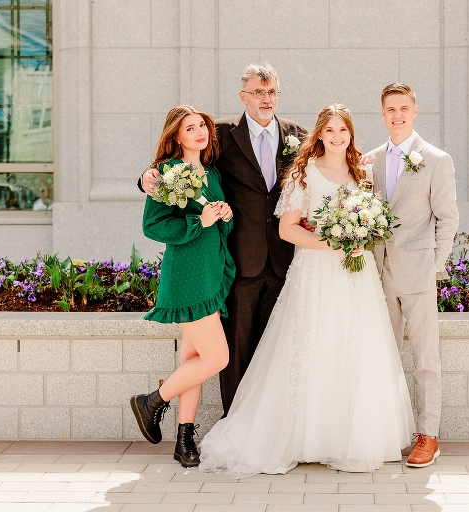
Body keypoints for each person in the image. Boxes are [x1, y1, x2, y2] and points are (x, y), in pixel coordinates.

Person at [197, 104, 414, 478]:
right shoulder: (304, 173)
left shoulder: (362, 173)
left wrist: (361, 238)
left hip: (356, 276)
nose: (336, 137)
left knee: (352, 348)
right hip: (316, 273)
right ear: (319, 135)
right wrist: (334, 244)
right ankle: (302, 438)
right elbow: (287, 230)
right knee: (312, 347)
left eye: (342, 130)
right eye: (329, 131)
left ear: (351, 134)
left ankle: (344, 438)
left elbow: (371, 219)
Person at [139, 63, 307, 416]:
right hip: (236, 260)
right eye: (258, 92)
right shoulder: (220, 134)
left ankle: (266, 424)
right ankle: (234, 424)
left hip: (284, 258)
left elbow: (331, 160)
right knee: (232, 354)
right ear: (243, 96)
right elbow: (175, 164)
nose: (266, 98)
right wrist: (145, 177)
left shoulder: (298, 135)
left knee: (276, 351)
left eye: (272, 91)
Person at [130, 105, 235, 468]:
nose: (199, 132)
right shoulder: (165, 172)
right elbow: (153, 225)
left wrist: (224, 215)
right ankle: (152, 401)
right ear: (176, 135)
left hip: (211, 269)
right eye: (189, 128)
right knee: (217, 358)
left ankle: (184, 439)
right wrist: (197, 222)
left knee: (194, 359)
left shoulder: (212, 172)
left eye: (202, 125)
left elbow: (218, 222)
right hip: (188, 273)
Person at [364, 83, 459, 468]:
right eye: (391, 109)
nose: (397, 115)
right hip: (378, 272)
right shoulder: (370, 160)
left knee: (424, 358)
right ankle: (387, 433)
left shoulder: (436, 159)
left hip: (418, 272)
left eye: (403, 108)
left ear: (415, 111)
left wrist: (435, 264)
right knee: (383, 355)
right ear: (383, 113)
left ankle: (428, 435)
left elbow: (447, 218)